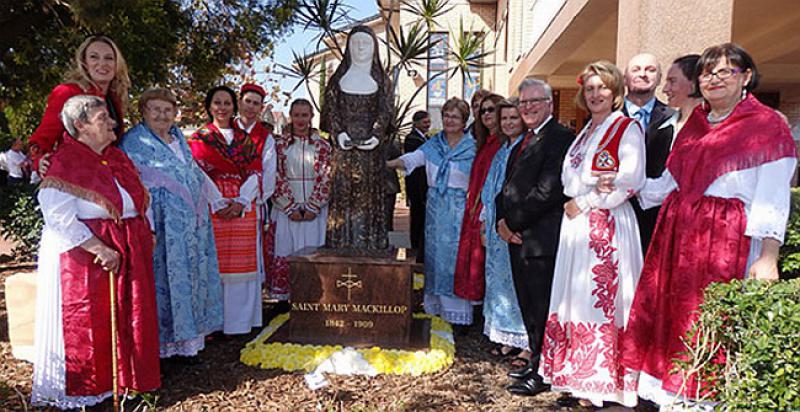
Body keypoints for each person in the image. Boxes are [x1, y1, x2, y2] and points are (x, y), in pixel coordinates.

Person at [622, 43, 797, 407]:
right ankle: (672, 396)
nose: (714, 79)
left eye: (724, 71)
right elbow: (669, 183)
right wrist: (624, 185)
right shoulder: (696, 124)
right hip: (678, 236)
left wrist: (768, 256)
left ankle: (704, 400)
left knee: (710, 321)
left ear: (746, 77)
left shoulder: (766, 125)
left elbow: (772, 197)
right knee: (674, 317)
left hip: (725, 238)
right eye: (706, 73)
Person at [32, 95, 159, 408]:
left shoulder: (117, 158)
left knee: (130, 317)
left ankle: (128, 383)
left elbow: (140, 199)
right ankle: (90, 392)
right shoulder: (66, 161)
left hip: (127, 246)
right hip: (85, 256)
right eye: (103, 119)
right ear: (81, 125)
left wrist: (148, 231)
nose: (113, 123)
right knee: (90, 322)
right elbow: (58, 215)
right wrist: (99, 248)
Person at [537, 61, 645, 407]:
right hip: (578, 225)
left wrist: (585, 200)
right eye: (590, 88)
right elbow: (572, 178)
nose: (595, 94)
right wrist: (585, 193)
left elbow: (630, 181)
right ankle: (579, 379)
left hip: (606, 224)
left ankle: (605, 386)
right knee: (575, 297)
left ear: (615, 92)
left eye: (602, 87)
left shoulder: (626, 128)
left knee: (600, 300)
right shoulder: (585, 130)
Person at [119, 88, 225, 360]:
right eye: (155, 109)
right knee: (163, 280)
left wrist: (215, 201)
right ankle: (163, 347)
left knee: (192, 280)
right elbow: (131, 184)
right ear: (143, 112)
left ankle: (190, 343)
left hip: (192, 225)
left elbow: (192, 173)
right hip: (162, 225)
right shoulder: (133, 142)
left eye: (167, 110)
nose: (162, 115)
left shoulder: (179, 139)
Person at [496, 79, 576, 397]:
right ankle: (535, 362)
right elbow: (507, 188)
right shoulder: (524, 140)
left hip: (540, 240)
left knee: (542, 310)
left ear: (549, 104)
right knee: (528, 308)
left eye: (534, 101)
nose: (527, 107)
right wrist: (501, 223)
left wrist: (512, 223)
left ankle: (544, 371)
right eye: (523, 102)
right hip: (517, 238)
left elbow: (548, 191)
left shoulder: (560, 137)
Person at [387, 98, 477, 326]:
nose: (449, 120)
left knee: (456, 258)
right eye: (446, 115)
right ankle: (436, 306)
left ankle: (457, 311)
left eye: (455, 116)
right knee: (435, 257)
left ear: (464, 120)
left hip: (460, 210)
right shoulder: (433, 144)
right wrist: (386, 164)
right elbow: (413, 159)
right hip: (436, 209)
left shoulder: (473, 148)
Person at [188, 85, 263, 335]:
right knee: (215, 262)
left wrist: (242, 200)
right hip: (212, 203)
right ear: (209, 107)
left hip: (244, 205)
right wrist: (218, 201)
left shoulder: (244, 140)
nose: (222, 108)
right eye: (217, 103)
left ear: (234, 106)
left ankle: (240, 323)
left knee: (243, 264)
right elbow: (197, 172)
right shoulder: (199, 138)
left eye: (227, 103)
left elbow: (255, 172)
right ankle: (215, 323)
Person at [321, 25, 394, 250]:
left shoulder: (382, 80)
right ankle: (341, 241)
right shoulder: (337, 80)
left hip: (371, 153)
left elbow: (386, 111)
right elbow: (330, 110)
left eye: (366, 43)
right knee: (343, 194)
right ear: (348, 47)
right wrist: (339, 133)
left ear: (374, 47)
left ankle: (371, 242)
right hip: (344, 150)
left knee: (369, 197)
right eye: (356, 42)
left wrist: (376, 135)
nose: (361, 47)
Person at [29, 35, 130, 175]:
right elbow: (42, 137)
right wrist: (39, 160)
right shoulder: (68, 92)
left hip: (107, 175)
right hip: (76, 174)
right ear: (84, 63)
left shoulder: (115, 98)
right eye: (94, 57)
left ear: (117, 64)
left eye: (109, 58)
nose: (102, 63)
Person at [479, 99, 529, 364]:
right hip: (495, 225)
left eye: (514, 118)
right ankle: (506, 338)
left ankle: (525, 341)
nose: (509, 123)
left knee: (516, 284)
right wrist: (484, 221)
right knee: (498, 282)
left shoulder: (524, 148)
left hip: (513, 225)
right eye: (505, 118)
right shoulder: (502, 149)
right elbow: (490, 187)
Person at [269, 99, 332, 299]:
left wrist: (314, 206)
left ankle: (313, 298)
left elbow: (327, 176)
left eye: (304, 115)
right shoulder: (279, 145)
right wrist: (289, 207)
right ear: (290, 116)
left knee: (313, 252)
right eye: (296, 115)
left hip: (315, 212)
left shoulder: (322, 145)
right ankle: (286, 298)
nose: (300, 119)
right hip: (286, 210)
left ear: (311, 116)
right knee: (286, 249)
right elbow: (274, 175)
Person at [623, 53, 675, 251]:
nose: (643, 74)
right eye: (636, 69)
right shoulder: (607, 117)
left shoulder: (675, 117)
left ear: (660, 78)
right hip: (616, 215)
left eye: (650, 70)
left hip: (657, 219)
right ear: (625, 77)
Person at [454, 93, 504, 302]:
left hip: (488, 211)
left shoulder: (502, 144)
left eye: (491, 109)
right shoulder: (484, 143)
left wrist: (485, 215)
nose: (485, 114)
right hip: (474, 209)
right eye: (482, 110)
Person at [236, 83, 277, 299]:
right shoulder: (225, 131)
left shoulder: (265, 137)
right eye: (248, 102)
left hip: (251, 205)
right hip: (222, 205)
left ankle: (250, 309)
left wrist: (249, 198)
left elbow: (268, 172)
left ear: (261, 108)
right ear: (239, 102)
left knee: (250, 257)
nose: (251, 107)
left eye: (256, 104)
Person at [404, 111, 431, 261]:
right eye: (424, 122)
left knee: (423, 216)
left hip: (425, 183)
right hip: (416, 183)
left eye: (429, 122)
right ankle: (415, 246)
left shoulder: (427, 138)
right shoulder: (412, 139)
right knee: (417, 215)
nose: (428, 125)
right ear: (416, 123)